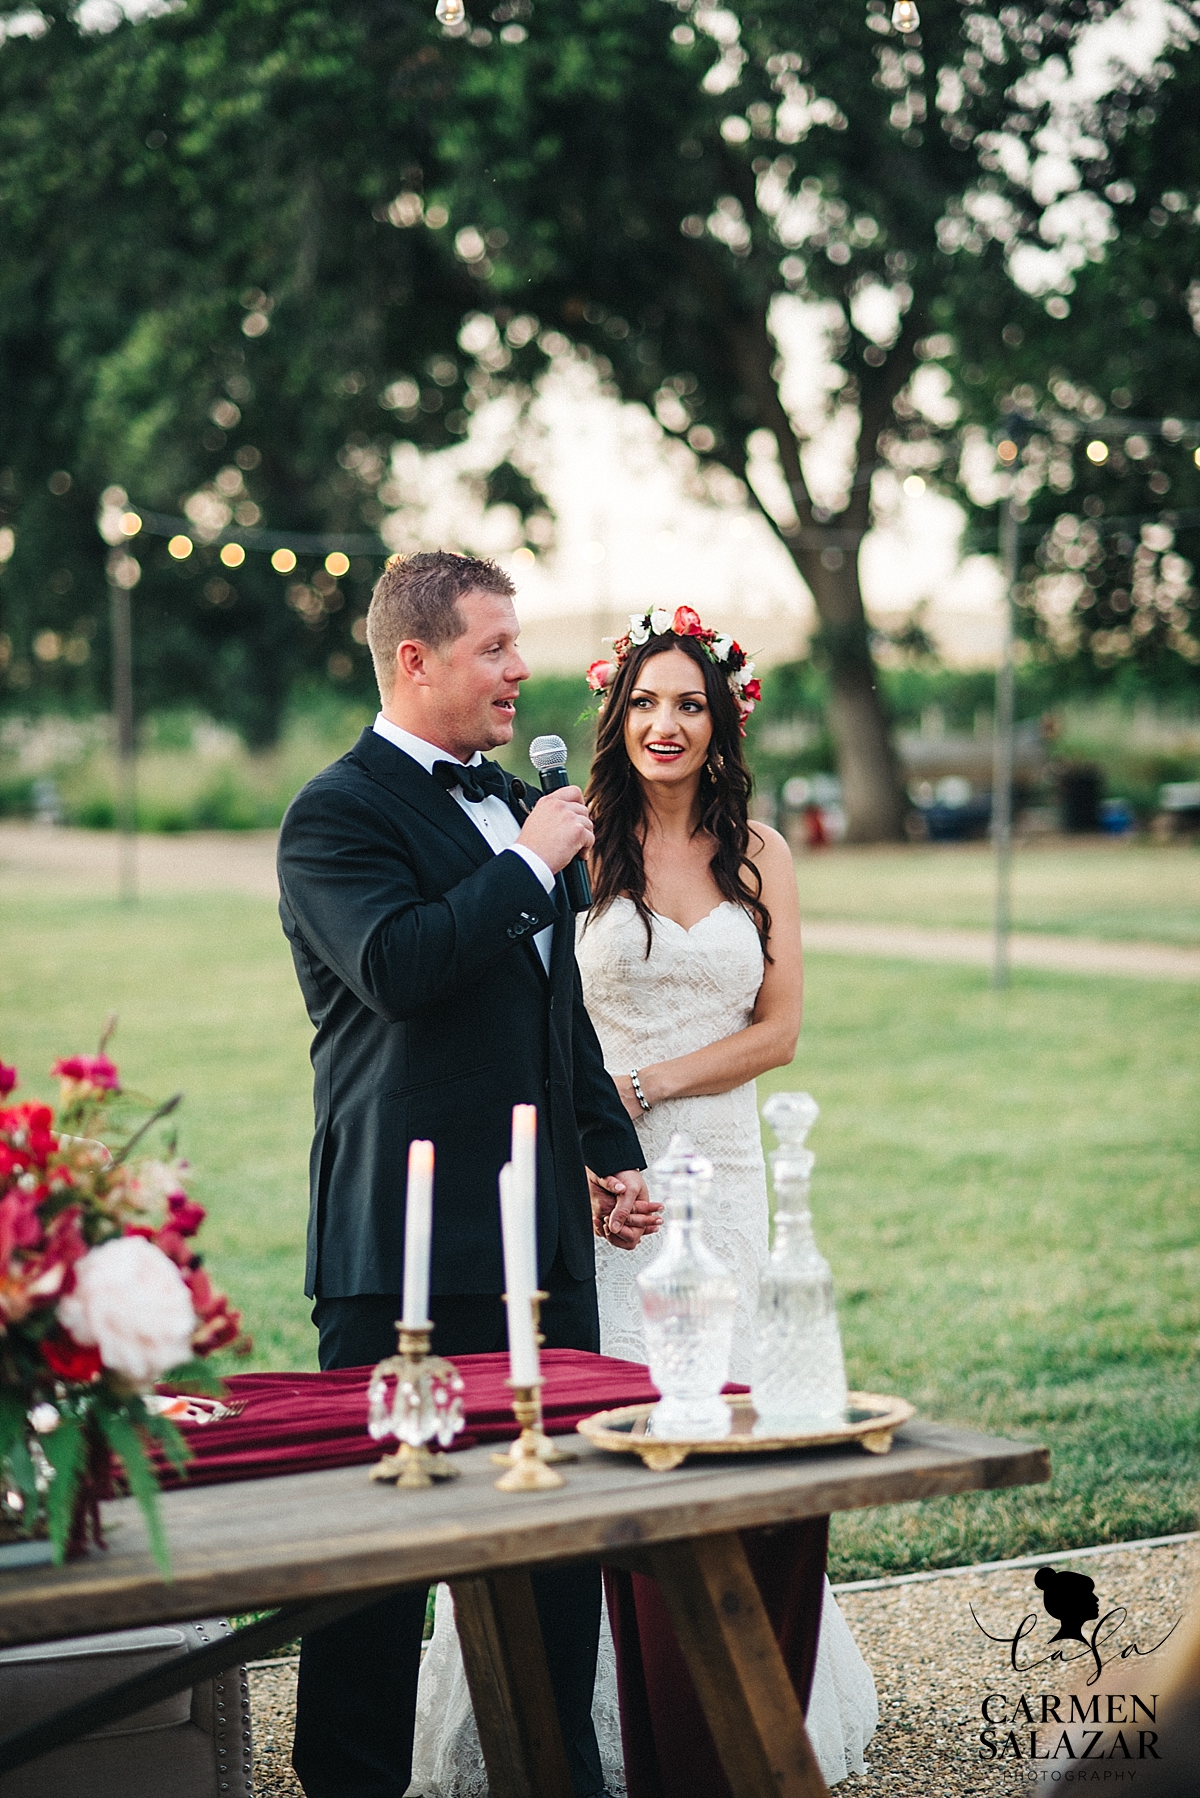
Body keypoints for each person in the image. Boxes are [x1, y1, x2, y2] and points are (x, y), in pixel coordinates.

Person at [276, 549, 654, 1798]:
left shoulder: (507, 804)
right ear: (415, 660)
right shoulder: (334, 813)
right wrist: (530, 864)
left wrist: (608, 1155)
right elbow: (397, 966)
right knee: (377, 1573)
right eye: (496, 646)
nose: (520, 669)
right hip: (401, 1249)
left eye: (517, 643)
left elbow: (556, 1016)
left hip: (538, 1242)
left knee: (557, 1551)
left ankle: (561, 1781)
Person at [575, 605, 879, 1792]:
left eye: (689, 702)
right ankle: (600, 1708)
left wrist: (646, 1083)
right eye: (647, 700)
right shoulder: (578, 847)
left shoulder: (762, 853)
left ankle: (743, 1696)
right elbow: (544, 1028)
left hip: (727, 1172)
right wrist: (596, 1158)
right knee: (625, 1422)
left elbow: (781, 1030)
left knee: (730, 1422)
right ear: (618, 712)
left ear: (721, 718)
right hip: (614, 1184)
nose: (666, 722)